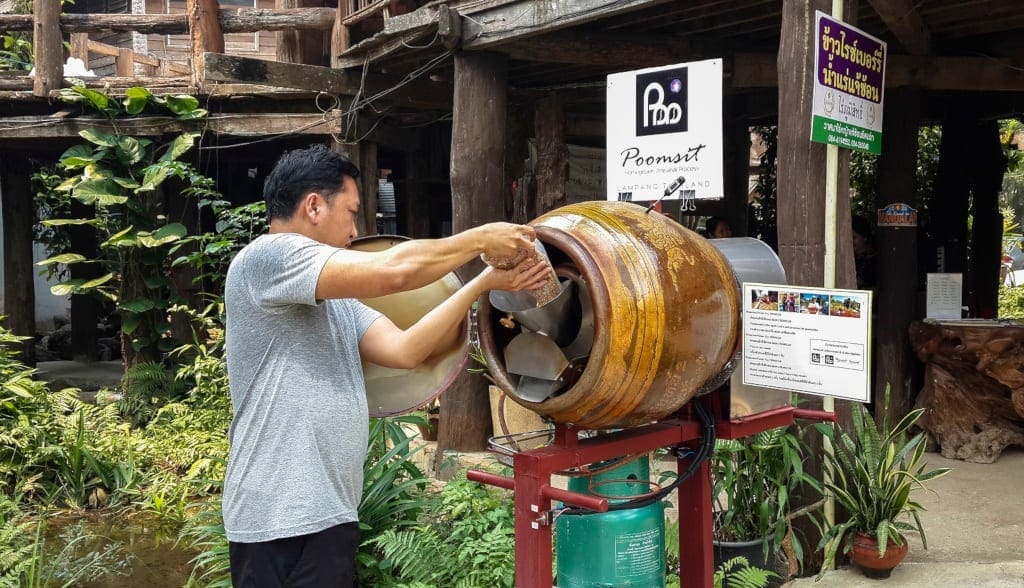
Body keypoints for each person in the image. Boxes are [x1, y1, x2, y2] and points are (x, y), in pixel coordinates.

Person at [222, 145, 549, 587]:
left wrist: (482, 282)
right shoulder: (267, 257)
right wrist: (478, 240)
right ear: (314, 206)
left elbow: (405, 349)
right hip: (277, 518)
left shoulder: (337, 305)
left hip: (329, 513)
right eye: (352, 212)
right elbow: (394, 271)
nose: (355, 230)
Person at [852, 216, 877, 290]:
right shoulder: (850, 259)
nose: (849, 241)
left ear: (865, 237)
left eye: (853, 237)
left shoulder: (876, 261)